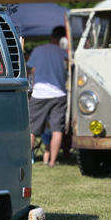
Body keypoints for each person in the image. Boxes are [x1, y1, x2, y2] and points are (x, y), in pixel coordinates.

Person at [27, 26, 68, 167]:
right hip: (59, 94)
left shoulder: (38, 50)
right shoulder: (64, 52)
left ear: (51, 36)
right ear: (64, 38)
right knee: (57, 129)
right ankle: (52, 162)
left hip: (40, 93)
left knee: (32, 129)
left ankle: (26, 160)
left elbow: (29, 68)